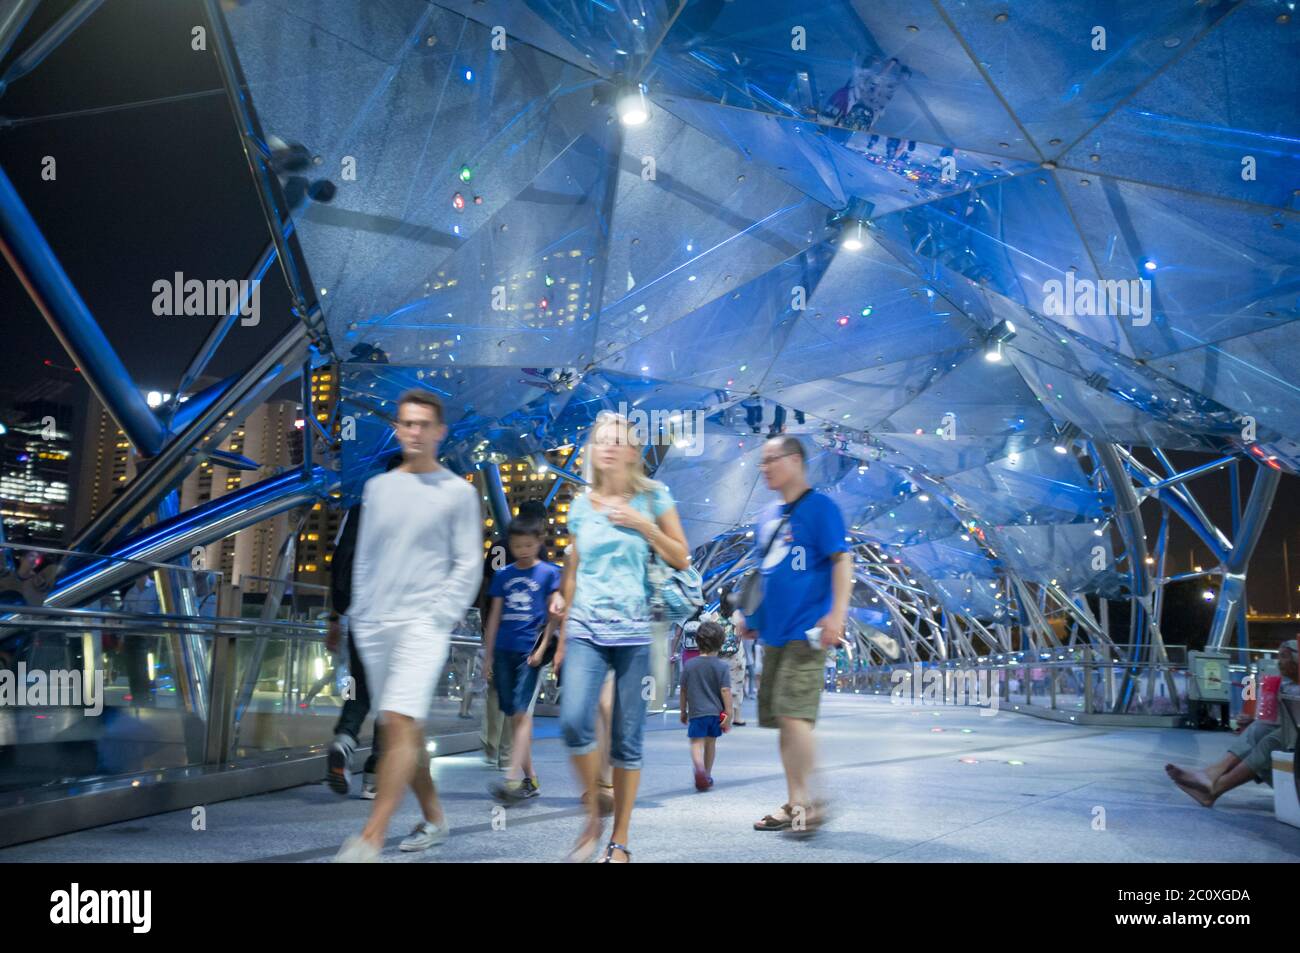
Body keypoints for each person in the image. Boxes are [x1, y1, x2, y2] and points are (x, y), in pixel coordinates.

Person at [333, 390, 482, 862]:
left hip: (423, 627)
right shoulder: (379, 490)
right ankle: (435, 817)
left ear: (439, 432)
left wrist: (437, 617)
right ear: (397, 429)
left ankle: (370, 838)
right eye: (406, 423)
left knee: (395, 722)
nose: (414, 432)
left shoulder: (459, 493)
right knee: (404, 730)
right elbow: (366, 559)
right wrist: (357, 615)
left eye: (423, 424)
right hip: (376, 625)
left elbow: (468, 566)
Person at [554, 410, 690, 862]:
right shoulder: (579, 504)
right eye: (600, 439)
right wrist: (560, 632)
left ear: (632, 450)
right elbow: (572, 571)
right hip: (586, 631)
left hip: (634, 633)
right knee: (574, 723)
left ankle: (620, 840)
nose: (607, 446)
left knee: (627, 741)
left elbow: (682, 558)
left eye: (617, 439)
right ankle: (594, 815)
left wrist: (642, 525)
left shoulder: (654, 497)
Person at [738, 435, 852, 835]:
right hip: (774, 635)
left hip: (808, 632)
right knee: (785, 722)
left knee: (793, 714)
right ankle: (796, 801)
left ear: (795, 461)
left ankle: (812, 799)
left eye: (771, 460)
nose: (764, 468)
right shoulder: (766, 516)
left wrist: (836, 614)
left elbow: (841, 561)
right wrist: (749, 616)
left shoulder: (821, 508)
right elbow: (765, 573)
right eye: (762, 462)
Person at [325, 454, 402, 798]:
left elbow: (338, 563)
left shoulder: (357, 512)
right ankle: (374, 775)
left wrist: (335, 617)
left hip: (361, 614)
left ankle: (345, 739)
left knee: (359, 687)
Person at [1166, 640, 1299, 807]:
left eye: (1284, 657)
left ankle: (1214, 789)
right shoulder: (1286, 685)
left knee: (1271, 741)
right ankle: (1212, 774)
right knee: (1259, 728)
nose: (1279, 662)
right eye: (1278, 656)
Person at [485, 514, 561, 803]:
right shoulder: (503, 575)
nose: (524, 550)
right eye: (518, 545)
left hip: (529, 654)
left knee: (521, 713)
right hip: (504, 650)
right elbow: (494, 617)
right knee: (515, 717)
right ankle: (531, 778)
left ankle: (513, 777)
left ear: (539, 542)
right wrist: (487, 656)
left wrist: (541, 652)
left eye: (529, 545)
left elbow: (554, 618)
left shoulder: (549, 574)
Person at [680, 620, 732, 791]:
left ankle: (699, 769)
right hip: (715, 714)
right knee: (711, 744)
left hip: (696, 713)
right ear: (721, 643)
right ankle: (707, 774)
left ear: (697, 641)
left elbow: (684, 691)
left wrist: (683, 711)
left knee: (696, 742)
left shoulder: (689, 665)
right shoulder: (722, 666)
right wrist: (729, 713)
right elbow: (725, 691)